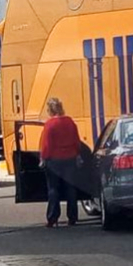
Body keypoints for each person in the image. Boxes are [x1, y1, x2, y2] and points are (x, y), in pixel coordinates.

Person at [40, 97, 81, 227]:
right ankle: (72, 217)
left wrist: (43, 158)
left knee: (53, 189)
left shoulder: (50, 124)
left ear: (50, 110)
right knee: (71, 188)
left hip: (54, 160)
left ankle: (53, 218)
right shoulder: (70, 122)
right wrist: (77, 154)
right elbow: (76, 141)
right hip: (70, 158)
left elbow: (46, 145)